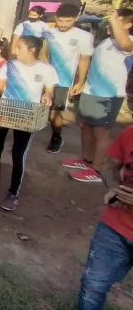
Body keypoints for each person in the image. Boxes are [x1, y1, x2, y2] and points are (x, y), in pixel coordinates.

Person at [0, 36, 57, 211]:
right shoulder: (10, 65)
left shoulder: (47, 69)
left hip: (27, 116)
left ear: (32, 50)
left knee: (18, 154)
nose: (15, 51)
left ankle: (13, 193)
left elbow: (49, 91)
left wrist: (47, 97)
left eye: (20, 47)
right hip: (5, 111)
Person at [62, 9, 133, 182]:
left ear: (128, 24)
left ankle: (96, 169)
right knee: (85, 126)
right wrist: (82, 83)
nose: (110, 24)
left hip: (108, 96)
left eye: (116, 21)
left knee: (101, 133)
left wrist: (115, 19)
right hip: (91, 91)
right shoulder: (107, 41)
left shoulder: (128, 42)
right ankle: (86, 160)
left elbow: (125, 45)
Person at [76, 125, 133, 310]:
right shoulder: (130, 133)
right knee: (93, 286)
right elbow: (109, 166)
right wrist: (113, 187)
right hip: (115, 227)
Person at [41, 4, 94, 153]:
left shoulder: (84, 37)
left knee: (54, 114)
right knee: (35, 108)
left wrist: (81, 82)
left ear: (76, 19)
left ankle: (56, 137)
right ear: (56, 18)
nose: (63, 25)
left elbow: (84, 60)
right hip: (42, 79)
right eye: (60, 20)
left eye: (68, 21)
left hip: (63, 82)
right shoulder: (47, 33)